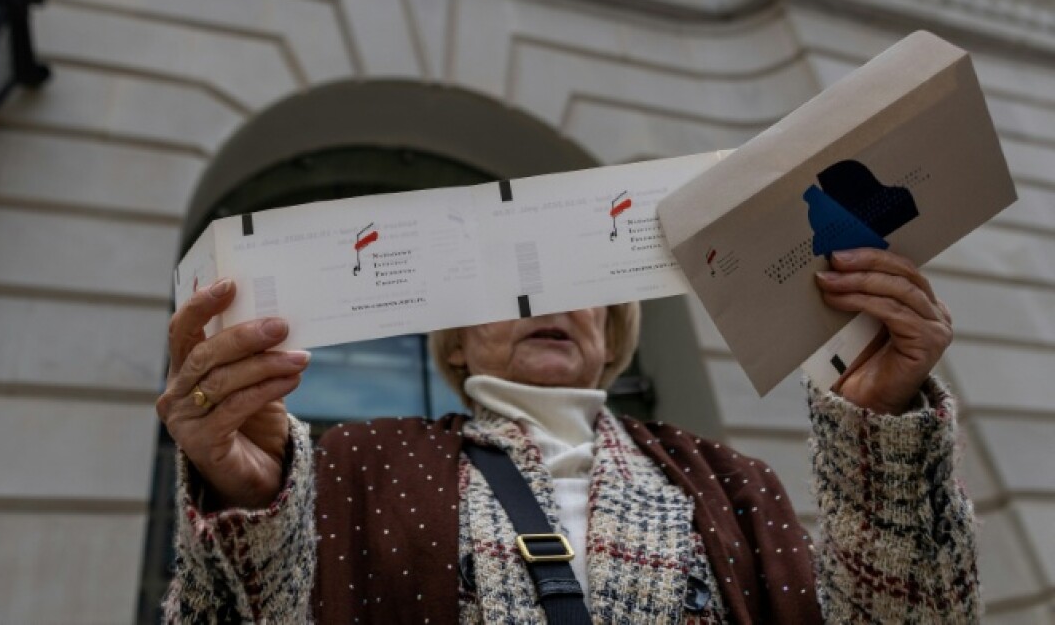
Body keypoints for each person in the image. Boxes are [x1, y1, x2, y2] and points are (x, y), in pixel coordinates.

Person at [157, 248, 979, 623]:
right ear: (454, 341)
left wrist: (883, 440)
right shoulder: (360, 460)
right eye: (502, 283)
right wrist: (247, 502)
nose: (535, 298)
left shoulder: (731, 481)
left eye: (567, 282)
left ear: (611, 326)